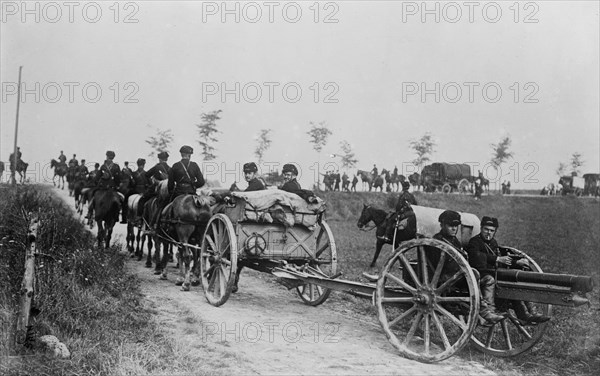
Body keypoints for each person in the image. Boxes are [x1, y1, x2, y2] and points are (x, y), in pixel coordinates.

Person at [466, 216, 550, 325]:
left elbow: (501, 259)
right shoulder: (474, 242)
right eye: (486, 229)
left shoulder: (493, 243)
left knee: (513, 284)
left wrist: (516, 262)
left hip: (494, 272)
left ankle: (528, 312)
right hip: (480, 273)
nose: (488, 233)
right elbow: (476, 258)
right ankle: (490, 311)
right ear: (481, 228)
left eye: (492, 231)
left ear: (495, 232)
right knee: (489, 279)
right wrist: (497, 259)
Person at [433, 211, 504, 324]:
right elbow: (440, 263)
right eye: (451, 226)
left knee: (487, 279)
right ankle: (483, 311)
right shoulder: (437, 241)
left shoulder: (454, 240)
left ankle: (488, 311)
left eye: (456, 226)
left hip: (459, 275)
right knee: (474, 274)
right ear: (442, 225)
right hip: (446, 278)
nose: (454, 229)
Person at [86, 151, 122, 219]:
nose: (109, 159)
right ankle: (117, 214)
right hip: (111, 187)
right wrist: (117, 185)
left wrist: (95, 182)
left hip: (104, 187)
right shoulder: (116, 166)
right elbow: (118, 178)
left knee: (93, 194)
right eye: (109, 158)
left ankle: (90, 211)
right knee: (119, 199)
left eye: (110, 158)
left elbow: (97, 177)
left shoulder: (103, 166)